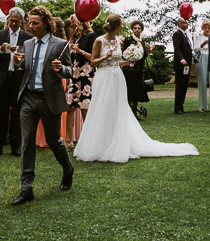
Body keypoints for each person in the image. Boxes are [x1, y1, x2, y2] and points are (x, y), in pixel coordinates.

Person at [72, 15, 197, 164]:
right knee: (102, 107)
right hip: (103, 77)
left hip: (117, 77)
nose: (123, 27)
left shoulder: (118, 41)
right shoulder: (99, 40)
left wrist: (130, 61)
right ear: (115, 26)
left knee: (118, 108)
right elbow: (93, 62)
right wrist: (106, 57)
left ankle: (118, 140)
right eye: (121, 25)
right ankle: (99, 144)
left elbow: (117, 62)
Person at [11, 7, 76, 205]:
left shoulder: (60, 45)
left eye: (35, 23)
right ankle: (26, 187)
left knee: (54, 140)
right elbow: (24, 67)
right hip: (28, 98)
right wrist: (18, 62)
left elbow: (70, 70)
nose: (31, 26)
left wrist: (61, 69)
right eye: (29, 23)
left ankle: (68, 169)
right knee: (27, 141)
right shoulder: (27, 44)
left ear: (46, 24)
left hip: (49, 99)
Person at [0, 7, 27, 157]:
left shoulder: (27, 37)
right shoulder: (1, 35)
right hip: (2, 80)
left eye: (16, 22)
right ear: (8, 20)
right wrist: (2, 50)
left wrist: (20, 56)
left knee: (17, 114)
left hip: (17, 79)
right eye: (11, 21)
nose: (13, 24)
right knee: (0, 114)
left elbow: (29, 59)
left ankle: (16, 146)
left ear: (21, 22)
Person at [121, 20, 150, 113]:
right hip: (129, 70)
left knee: (137, 92)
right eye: (135, 28)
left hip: (139, 70)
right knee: (130, 91)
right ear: (132, 29)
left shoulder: (142, 42)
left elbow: (144, 55)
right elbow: (124, 53)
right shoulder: (129, 40)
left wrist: (148, 51)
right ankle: (129, 113)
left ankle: (134, 112)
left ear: (141, 30)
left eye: (139, 28)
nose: (137, 30)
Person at [171, 14, 194, 114]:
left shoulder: (185, 34)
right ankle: (177, 108)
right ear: (180, 24)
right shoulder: (177, 34)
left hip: (187, 64)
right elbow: (177, 49)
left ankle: (181, 106)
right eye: (185, 22)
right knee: (180, 86)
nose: (187, 24)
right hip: (181, 65)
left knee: (184, 85)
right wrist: (181, 59)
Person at [195, 18, 210, 113]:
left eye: (208, 27)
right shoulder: (199, 36)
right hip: (202, 57)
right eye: (205, 27)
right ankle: (202, 105)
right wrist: (202, 44)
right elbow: (195, 49)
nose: (206, 29)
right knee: (202, 82)